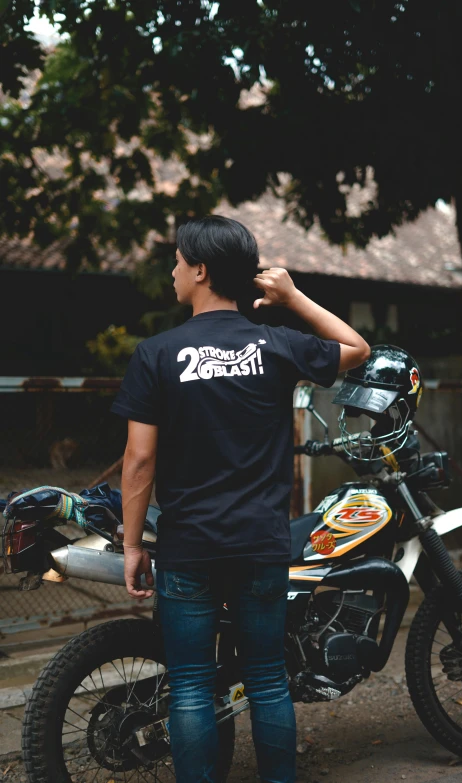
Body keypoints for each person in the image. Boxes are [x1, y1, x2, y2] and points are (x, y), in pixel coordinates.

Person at [111, 215, 370, 783]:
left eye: (178, 260)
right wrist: (293, 297)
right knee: (268, 679)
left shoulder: (157, 354)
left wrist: (133, 543)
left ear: (201, 270)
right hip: (261, 543)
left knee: (191, 686)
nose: (171, 269)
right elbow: (355, 347)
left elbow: (140, 461)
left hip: (189, 546)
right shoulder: (275, 345)